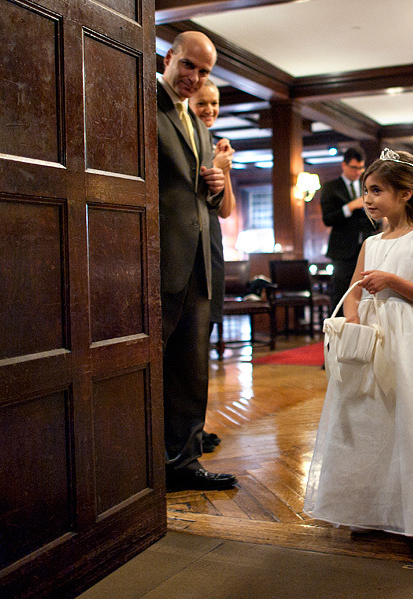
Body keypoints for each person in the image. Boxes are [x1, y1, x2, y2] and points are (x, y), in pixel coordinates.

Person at [305, 148, 413, 537]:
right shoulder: (372, 241)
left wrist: (391, 281)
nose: (368, 199)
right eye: (367, 191)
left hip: (407, 335)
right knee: (368, 418)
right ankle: (369, 506)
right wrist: (354, 319)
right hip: (372, 336)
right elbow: (354, 288)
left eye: (376, 191)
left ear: (404, 194)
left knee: (408, 416)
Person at [157, 31, 236, 490]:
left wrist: (215, 183)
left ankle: (183, 464)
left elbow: (208, 204)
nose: (195, 78)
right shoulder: (146, 103)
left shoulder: (200, 126)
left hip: (200, 261)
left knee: (190, 367)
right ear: (169, 58)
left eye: (204, 72)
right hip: (162, 257)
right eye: (189, 66)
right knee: (155, 364)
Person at [190, 78, 235, 454]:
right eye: (203, 103)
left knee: (201, 346)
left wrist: (225, 169)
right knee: (189, 350)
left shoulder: (210, 141)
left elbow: (225, 208)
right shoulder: (187, 141)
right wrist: (214, 166)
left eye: (215, 104)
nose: (210, 110)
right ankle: (187, 431)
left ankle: (195, 429)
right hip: (191, 250)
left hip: (212, 248)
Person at [320, 147, 380, 311]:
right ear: (344, 165)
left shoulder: (366, 186)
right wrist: (350, 207)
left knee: (366, 292)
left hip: (366, 249)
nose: (358, 172)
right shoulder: (331, 187)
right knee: (340, 293)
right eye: (354, 167)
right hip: (342, 251)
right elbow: (328, 219)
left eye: (361, 168)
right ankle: (338, 331)